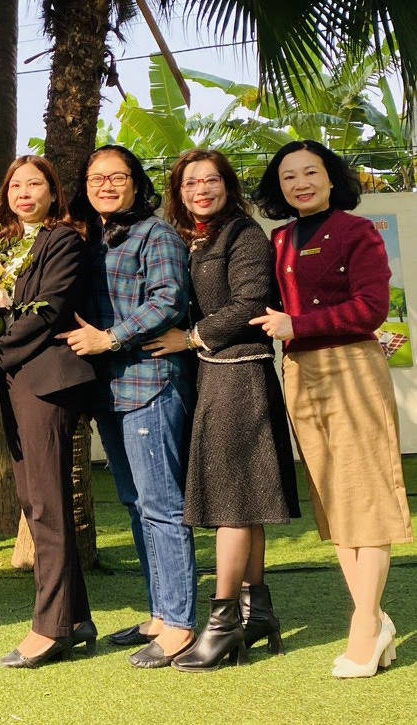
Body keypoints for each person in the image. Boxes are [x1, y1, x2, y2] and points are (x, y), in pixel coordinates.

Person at [251, 140, 413, 678]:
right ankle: (375, 619)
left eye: (310, 172)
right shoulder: (279, 239)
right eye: (289, 176)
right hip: (300, 371)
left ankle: (365, 624)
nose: (300, 183)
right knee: (333, 495)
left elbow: (371, 307)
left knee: (366, 491)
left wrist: (298, 324)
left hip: (351, 365)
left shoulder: (356, 231)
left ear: (330, 178)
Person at [141, 150, 300, 672]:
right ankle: (258, 612)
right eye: (190, 183)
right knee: (245, 501)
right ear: (178, 192)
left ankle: (223, 622)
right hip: (215, 373)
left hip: (238, 372)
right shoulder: (191, 238)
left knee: (232, 501)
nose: (201, 190)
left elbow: (252, 303)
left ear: (228, 186)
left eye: (211, 180)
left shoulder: (242, 234)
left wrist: (190, 337)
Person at [59, 144, 197, 669]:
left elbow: (169, 300)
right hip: (109, 391)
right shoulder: (92, 238)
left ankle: (180, 624)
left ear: (137, 184)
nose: (107, 185)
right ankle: (160, 614)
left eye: (118, 176)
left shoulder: (155, 234)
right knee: (137, 504)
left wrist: (111, 338)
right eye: (96, 177)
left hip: (150, 384)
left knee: (162, 506)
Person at [0, 156, 96, 668]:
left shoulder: (63, 240)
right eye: (15, 185)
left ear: (53, 191)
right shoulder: (1, 247)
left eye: (35, 183)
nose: (24, 192)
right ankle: (77, 617)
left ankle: (51, 628)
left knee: (46, 502)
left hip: (48, 380)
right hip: (15, 380)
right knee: (33, 498)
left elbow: (47, 311)